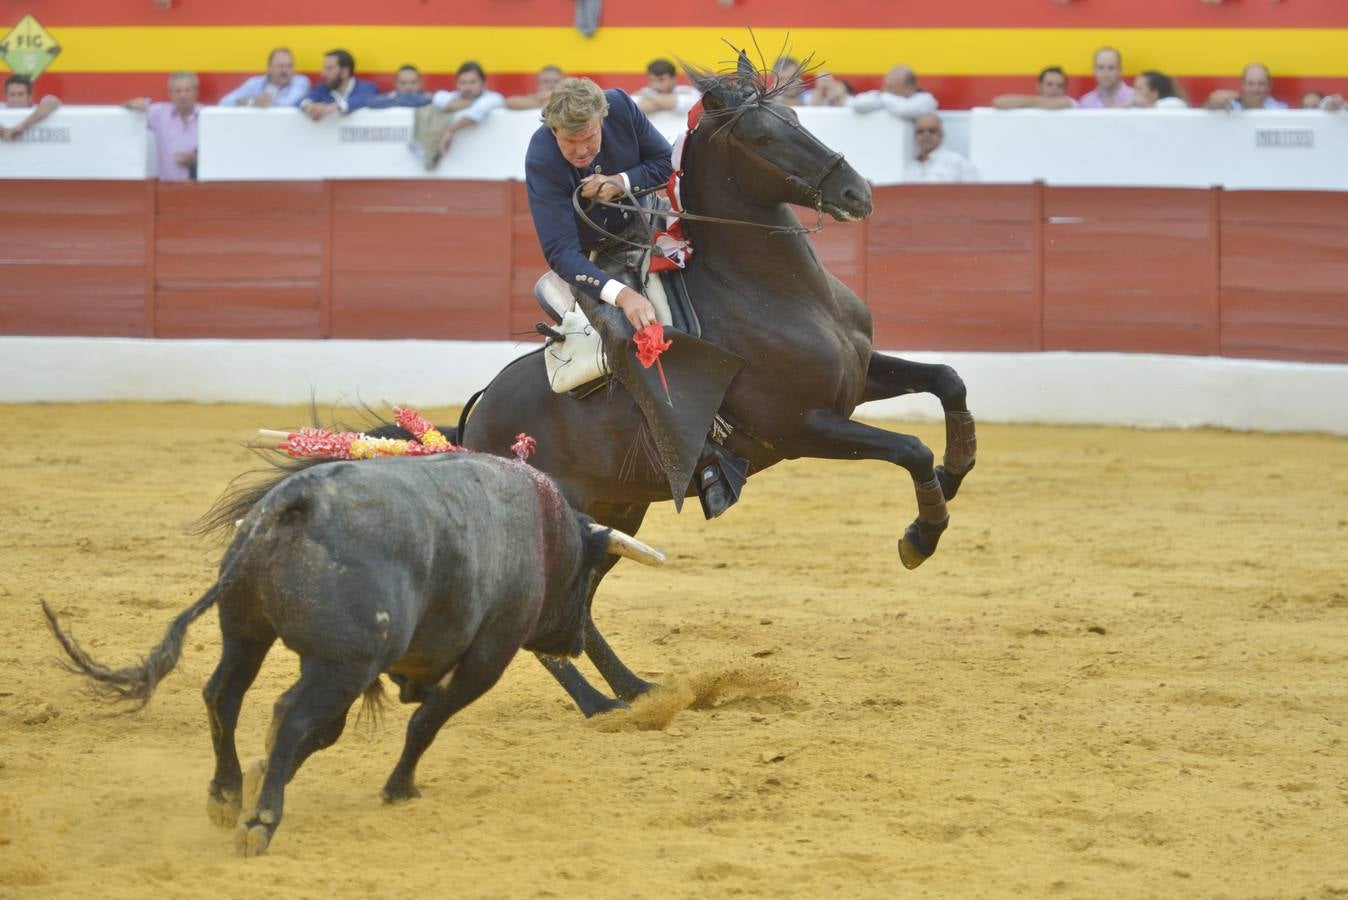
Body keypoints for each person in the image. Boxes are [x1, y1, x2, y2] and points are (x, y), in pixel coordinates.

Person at [524, 77, 746, 518]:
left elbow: (666, 163)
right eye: (570, 143)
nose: (581, 151)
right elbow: (560, 252)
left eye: (587, 138)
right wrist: (622, 296)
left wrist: (621, 180)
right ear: (553, 132)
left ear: (602, 119)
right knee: (628, 337)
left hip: (655, 228)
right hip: (596, 258)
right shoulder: (542, 156)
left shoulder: (621, 107)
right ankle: (702, 458)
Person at [125, 71, 201, 181]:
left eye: (188, 90)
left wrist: (196, 160)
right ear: (170, 94)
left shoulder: (206, 115)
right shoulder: (159, 113)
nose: (183, 95)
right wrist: (134, 104)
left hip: (201, 188)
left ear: (196, 92)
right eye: (178, 91)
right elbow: (127, 111)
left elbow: (220, 151)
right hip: (167, 188)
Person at [428, 61, 505, 155]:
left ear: (483, 83)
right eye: (463, 82)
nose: (467, 87)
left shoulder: (494, 98)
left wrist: (450, 130)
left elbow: (479, 110)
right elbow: (438, 99)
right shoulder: (451, 96)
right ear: (456, 84)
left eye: (472, 82)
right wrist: (470, 103)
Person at [300, 49, 379, 120]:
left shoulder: (367, 88)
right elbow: (301, 100)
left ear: (344, 72)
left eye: (329, 68)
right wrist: (309, 107)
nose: (323, 74)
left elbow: (367, 99)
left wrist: (334, 107)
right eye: (324, 68)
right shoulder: (322, 88)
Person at [218, 48, 310, 108]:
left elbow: (287, 104)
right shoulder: (254, 83)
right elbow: (224, 103)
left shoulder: (300, 82)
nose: (285, 70)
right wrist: (252, 102)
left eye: (289, 66)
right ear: (269, 68)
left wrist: (260, 104)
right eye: (280, 66)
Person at [904, 113, 976, 183]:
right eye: (920, 131)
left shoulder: (958, 164)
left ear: (941, 134)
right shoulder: (911, 167)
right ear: (915, 136)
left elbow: (974, 193)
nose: (926, 135)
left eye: (932, 131)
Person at [849, 65, 937, 120]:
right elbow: (857, 104)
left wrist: (884, 97)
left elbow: (904, 110)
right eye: (886, 84)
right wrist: (883, 97)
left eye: (891, 86)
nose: (885, 89)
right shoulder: (885, 98)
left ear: (909, 87)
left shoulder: (926, 100)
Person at [0, 74, 62, 141]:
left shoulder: (37, 109)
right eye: (12, 94)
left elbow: (52, 101)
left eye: (20, 94)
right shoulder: (2, 108)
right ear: (6, 96)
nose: (16, 99)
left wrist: (21, 126)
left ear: (30, 96)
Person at [1203, 63, 1288, 110]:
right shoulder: (1232, 107)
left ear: (1269, 85)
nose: (1255, 89)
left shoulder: (1281, 110)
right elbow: (1209, 107)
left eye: (1261, 84)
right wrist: (1234, 96)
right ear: (1243, 84)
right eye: (1250, 83)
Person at [632, 58, 699, 115]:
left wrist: (648, 96)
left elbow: (677, 103)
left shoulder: (688, 92)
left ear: (673, 79)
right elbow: (635, 108)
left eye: (661, 80)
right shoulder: (643, 93)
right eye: (652, 80)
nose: (656, 86)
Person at [991, 66, 1077, 110]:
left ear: (1065, 89)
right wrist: (1039, 101)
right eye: (1049, 84)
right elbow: (998, 102)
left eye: (1060, 85)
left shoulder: (1070, 103)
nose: (1055, 89)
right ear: (1039, 86)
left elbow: (1061, 104)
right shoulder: (1032, 102)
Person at [366, 65, 433, 108]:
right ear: (396, 84)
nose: (408, 87)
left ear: (421, 83)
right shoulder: (391, 96)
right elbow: (370, 102)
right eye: (403, 83)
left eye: (413, 82)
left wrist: (394, 100)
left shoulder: (431, 98)